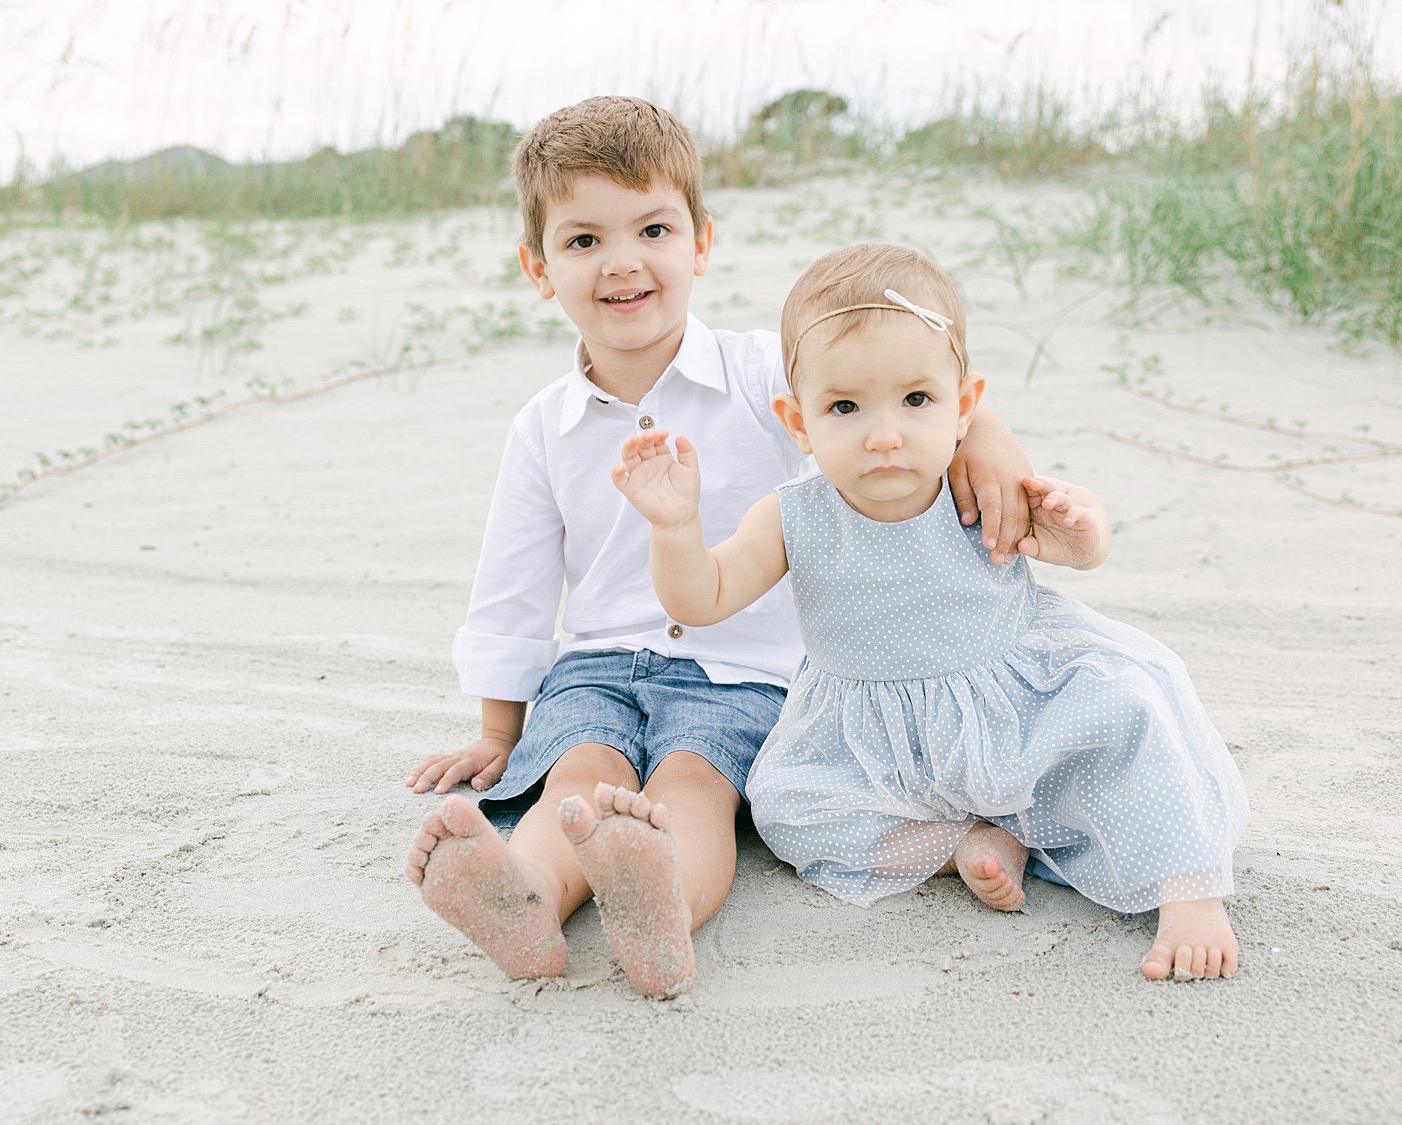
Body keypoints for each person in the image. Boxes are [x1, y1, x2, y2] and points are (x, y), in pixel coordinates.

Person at [403, 99, 1040, 996]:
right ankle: (529, 898)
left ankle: (662, 901)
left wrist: (992, 441)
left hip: (742, 670)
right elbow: (512, 583)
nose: (622, 261)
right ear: (538, 267)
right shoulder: (543, 426)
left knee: (693, 785)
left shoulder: (765, 373)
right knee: (577, 778)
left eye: (652, 229)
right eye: (583, 240)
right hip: (593, 666)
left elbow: (900, 384)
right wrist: (496, 729)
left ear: (700, 243)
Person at [610, 241, 1250, 980]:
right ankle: (960, 843)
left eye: (916, 400)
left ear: (963, 405)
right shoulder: (792, 516)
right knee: (784, 807)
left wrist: (1082, 529)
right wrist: (674, 525)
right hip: (878, 740)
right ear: (798, 421)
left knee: (1135, 707)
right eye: (844, 407)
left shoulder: (971, 486)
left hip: (1017, 708)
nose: (885, 433)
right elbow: (702, 595)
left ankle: (1188, 891)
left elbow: (1077, 544)